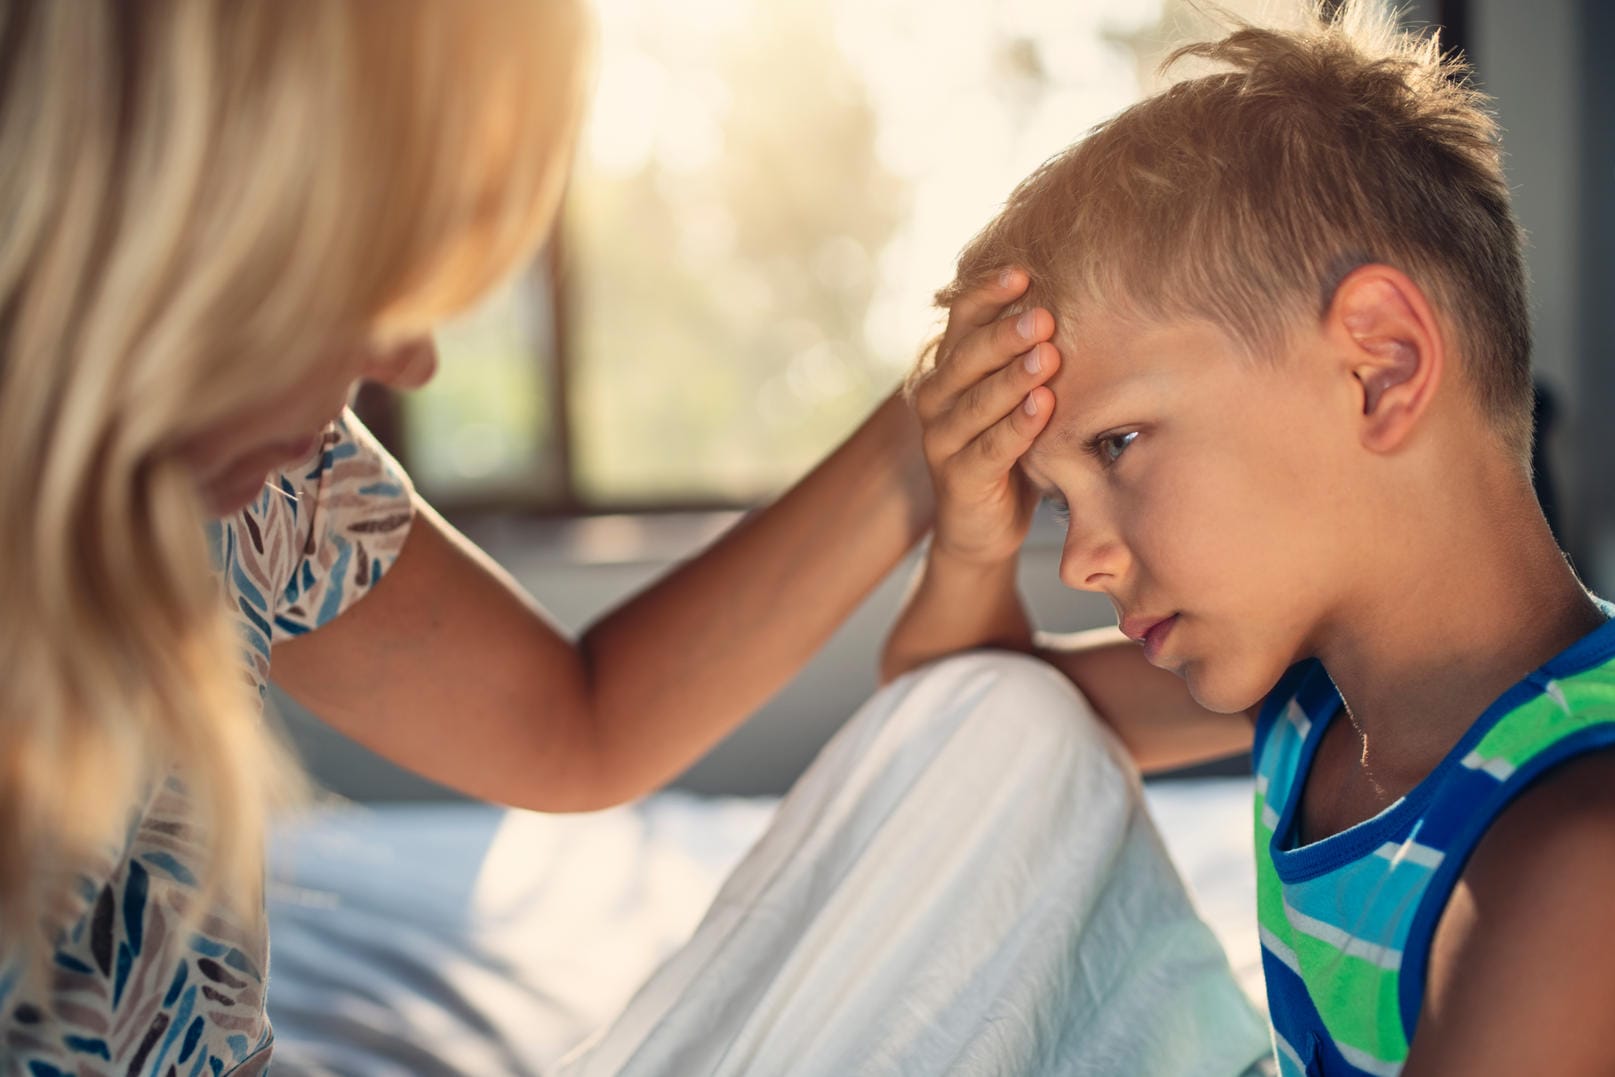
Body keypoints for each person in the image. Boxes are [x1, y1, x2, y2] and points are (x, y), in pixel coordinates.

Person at [3, 2, 1278, 1075]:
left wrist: (940, 417)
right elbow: (976, 696)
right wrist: (964, 546)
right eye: (360, 276)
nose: (409, 357)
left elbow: (583, 723)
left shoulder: (264, 486)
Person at [887, 2, 1615, 1075]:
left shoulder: (1574, 859)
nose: (1081, 559)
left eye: (1118, 444)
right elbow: (964, 726)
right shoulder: (1308, 699)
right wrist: (969, 540)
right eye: (1054, 502)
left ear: (1378, 368)